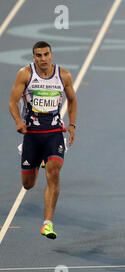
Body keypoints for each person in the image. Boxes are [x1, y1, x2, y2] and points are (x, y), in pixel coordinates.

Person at [9, 41, 77, 239]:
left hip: (54, 132)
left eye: (46, 54)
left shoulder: (63, 75)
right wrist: (18, 121)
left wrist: (72, 125)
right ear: (34, 57)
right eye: (38, 55)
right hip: (31, 135)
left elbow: (72, 100)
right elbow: (12, 102)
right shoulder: (25, 74)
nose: (43, 58)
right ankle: (36, 160)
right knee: (28, 185)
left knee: (53, 171)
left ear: (51, 55)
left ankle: (48, 223)